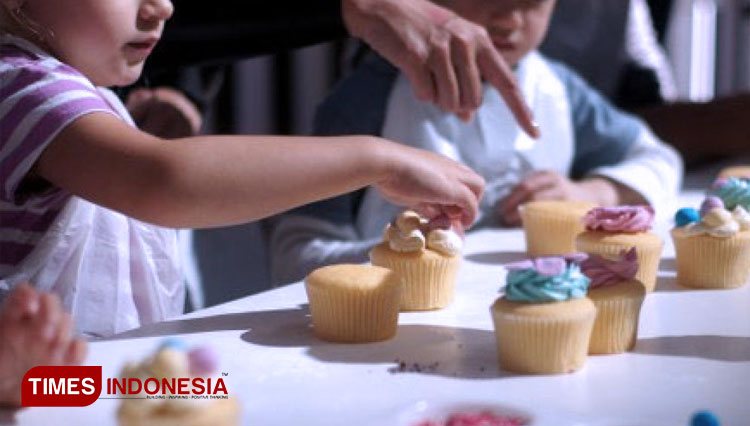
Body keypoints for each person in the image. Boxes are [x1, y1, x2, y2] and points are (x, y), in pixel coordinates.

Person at [0, 0, 486, 393]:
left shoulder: (65, 86)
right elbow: (166, 180)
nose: (162, 7)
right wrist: (376, 159)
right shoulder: (21, 85)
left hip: (83, 385)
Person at [268, 0, 683, 285]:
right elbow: (293, 256)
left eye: (532, 2)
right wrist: (398, 253)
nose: (510, 19)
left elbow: (661, 159)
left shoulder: (561, 91)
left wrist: (592, 192)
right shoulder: (365, 102)